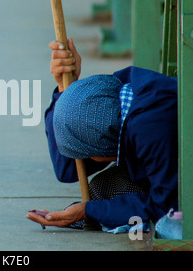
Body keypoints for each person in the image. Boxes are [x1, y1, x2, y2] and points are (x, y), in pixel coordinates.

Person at [26, 39, 179, 231]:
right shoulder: (118, 90)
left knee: (109, 195)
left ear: (103, 148)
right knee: (104, 188)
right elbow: (67, 170)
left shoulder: (151, 128)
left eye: (88, 153)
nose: (88, 158)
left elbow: (166, 210)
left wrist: (87, 212)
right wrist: (64, 90)